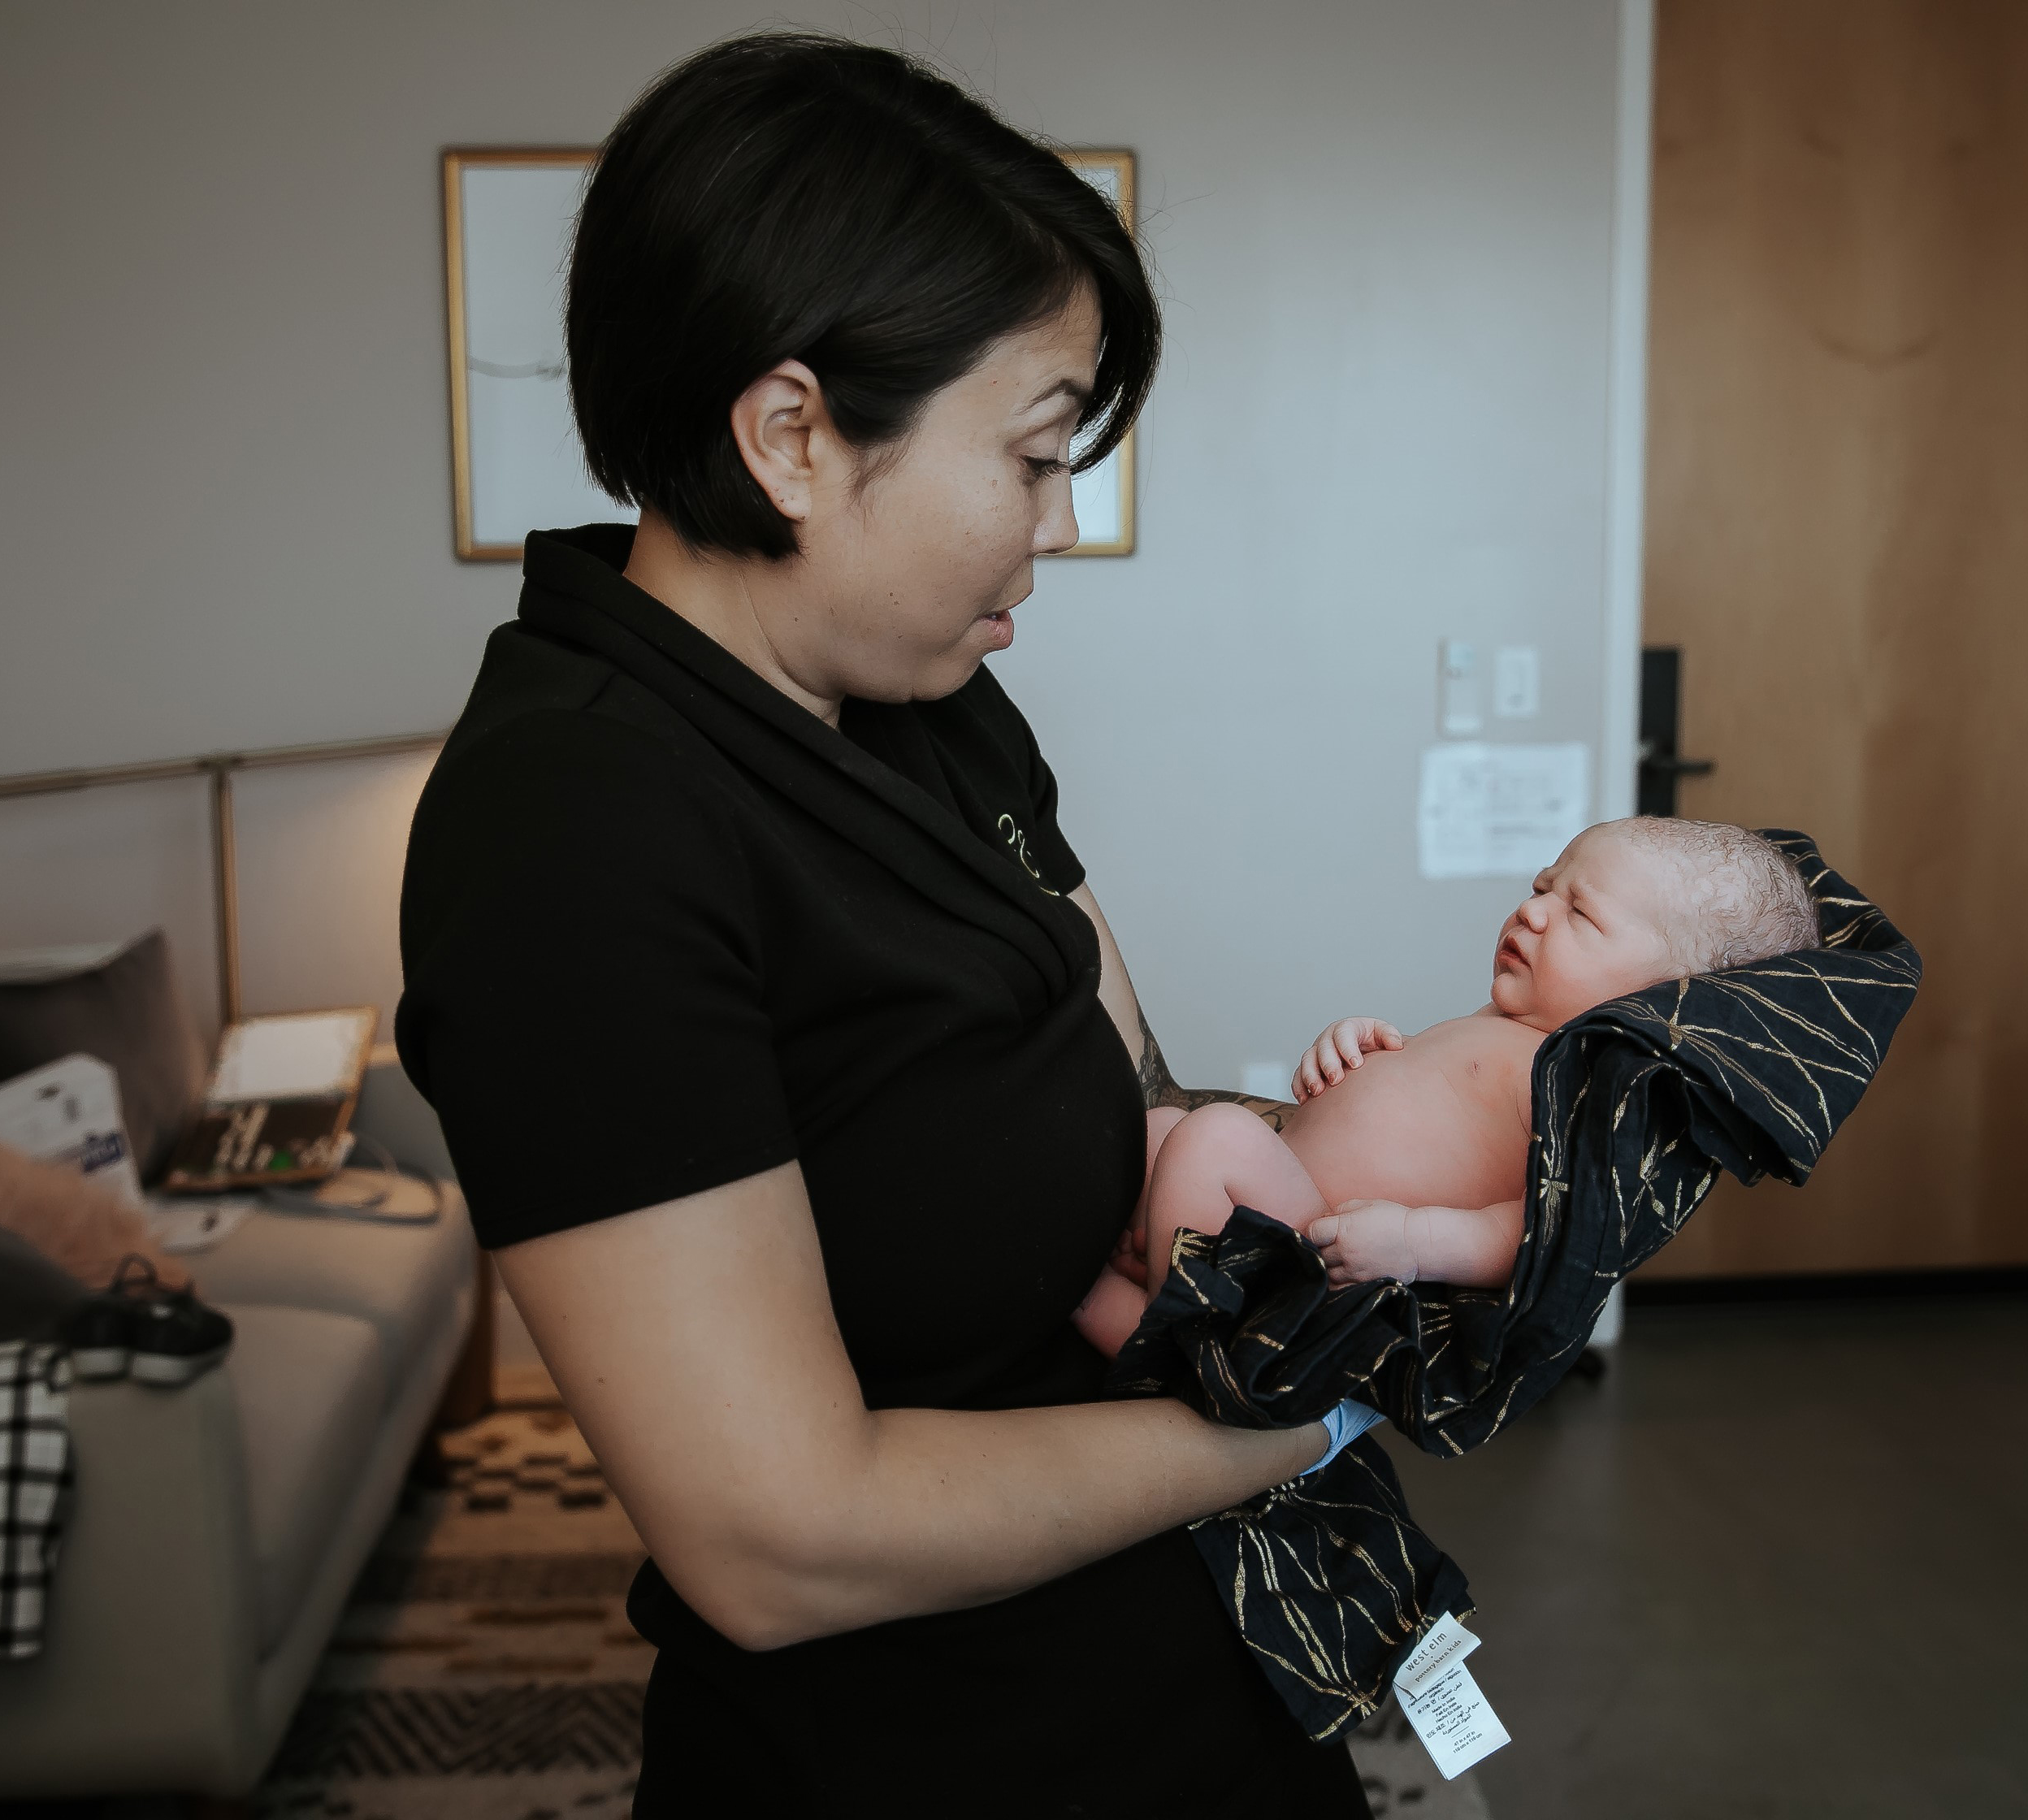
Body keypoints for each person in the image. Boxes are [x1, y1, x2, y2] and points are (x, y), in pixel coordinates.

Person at [396, 32, 1380, 1819]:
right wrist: (1297, 1427)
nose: (1059, 525)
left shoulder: (930, 703)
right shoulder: (575, 826)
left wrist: (1438, 1158)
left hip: (1193, 1689)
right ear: (790, 434)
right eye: (1032, 453)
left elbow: (1136, 1092)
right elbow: (781, 1537)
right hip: (924, 1761)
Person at [1074, 817, 1818, 1352]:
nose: (1532, 910)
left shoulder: (1575, 1081)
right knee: (1160, 1130)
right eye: (1542, 886)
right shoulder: (1502, 1022)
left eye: (1580, 913)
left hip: (1329, 1255)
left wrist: (1416, 1242)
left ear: (1666, 997)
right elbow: (1401, 1104)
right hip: (1286, 1197)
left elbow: (1540, 1231)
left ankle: (1171, 1337)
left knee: (1211, 1136)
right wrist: (1346, 1048)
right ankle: (1123, 1287)